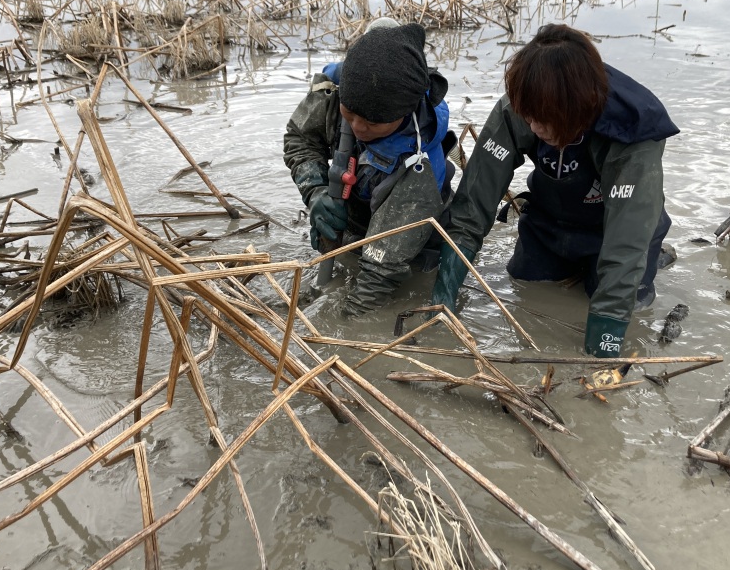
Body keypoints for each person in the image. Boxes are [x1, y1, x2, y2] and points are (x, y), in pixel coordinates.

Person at [431, 23, 678, 358]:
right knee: (525, 284)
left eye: (545, 120)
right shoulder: (525, 104)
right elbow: (475, 200)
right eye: (529, 117)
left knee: (625, 302)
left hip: (613, 230)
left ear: (581, 108)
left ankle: (656, 257)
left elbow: (626, 243)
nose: (533, 127)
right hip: (550, 223)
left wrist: (601, 348)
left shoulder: (634, 130)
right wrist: (443, 296)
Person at [283, 19, 455, 315]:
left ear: (402, 114)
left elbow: (378, 274)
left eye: (373, 123)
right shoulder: (340, 87)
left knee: (389, 288)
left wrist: (342, 324)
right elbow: (300, 138)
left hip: (413, 246)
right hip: (361, 214)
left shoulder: (421, 168)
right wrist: (317, 193)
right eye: (349, 115)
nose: (358, 128)